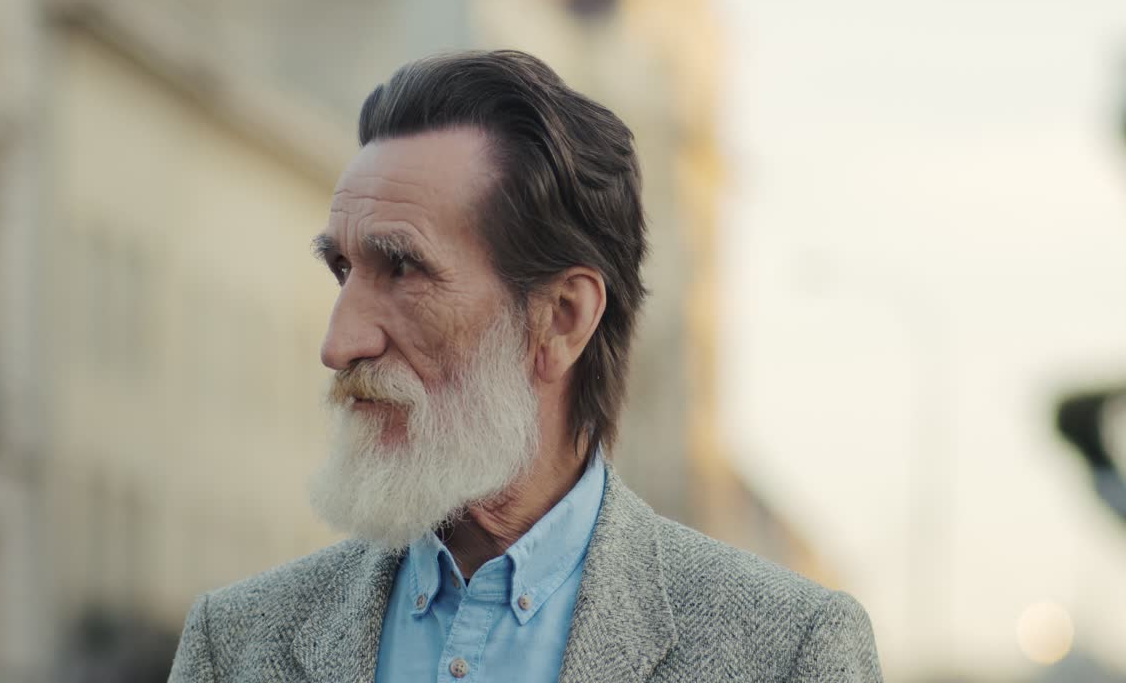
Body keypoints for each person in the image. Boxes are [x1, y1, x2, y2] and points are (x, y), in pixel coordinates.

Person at [167, 50, 883, 683]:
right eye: (343, 270)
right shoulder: (236, 645)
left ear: (562, 317)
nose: (340, 342)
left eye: (403, 269)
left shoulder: (788, 653)